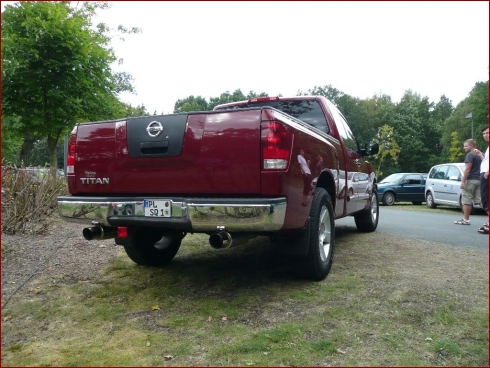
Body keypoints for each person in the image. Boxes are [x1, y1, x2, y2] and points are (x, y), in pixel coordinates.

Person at [454, 138, 481, 225]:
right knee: (481, 201)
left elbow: (468, 169)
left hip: (471, 180)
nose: (464, 148)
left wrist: (463, 181)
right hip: (480, 180)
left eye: (466, 146)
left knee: (466, 200)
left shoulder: (470, 155)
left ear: (471, 146)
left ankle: (466, 219)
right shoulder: (481, 154)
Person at [473, 125, 489, 234]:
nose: (485, 135)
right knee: (485, 200)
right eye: (484, 134)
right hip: (484, 173)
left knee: (486, 200)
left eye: (487, 133)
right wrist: (480, 155)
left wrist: (488, 172)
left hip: (486, 175)